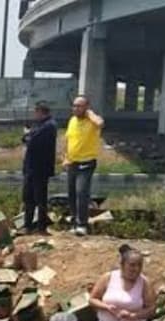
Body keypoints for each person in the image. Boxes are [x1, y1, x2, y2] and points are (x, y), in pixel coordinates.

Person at [64, 95, 105, 236]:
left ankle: (82, 224)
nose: (75, 108)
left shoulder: (92, 121)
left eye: (79, 106)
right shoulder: (72, 121)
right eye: (74, 105)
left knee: (82, 192)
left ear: (87, 107)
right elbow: (69, 140)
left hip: (86, 162)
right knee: (72, 194)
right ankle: (74, 222)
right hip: (72, 162)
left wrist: (90, 113)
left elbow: (100, 123)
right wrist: (65, 157)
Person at [22, 101, 58, 234]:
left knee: (40, 199)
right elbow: (27, 139)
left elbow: (31, 142)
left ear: (41, 112)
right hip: (31, 168)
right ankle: (28, 225)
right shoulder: (40, 126)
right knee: (28, 198)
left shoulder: (49, 126)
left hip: (40, 169)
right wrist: (28, 135)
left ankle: (41, 227)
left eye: (36, 112)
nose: (34, 115)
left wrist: (27, 134)